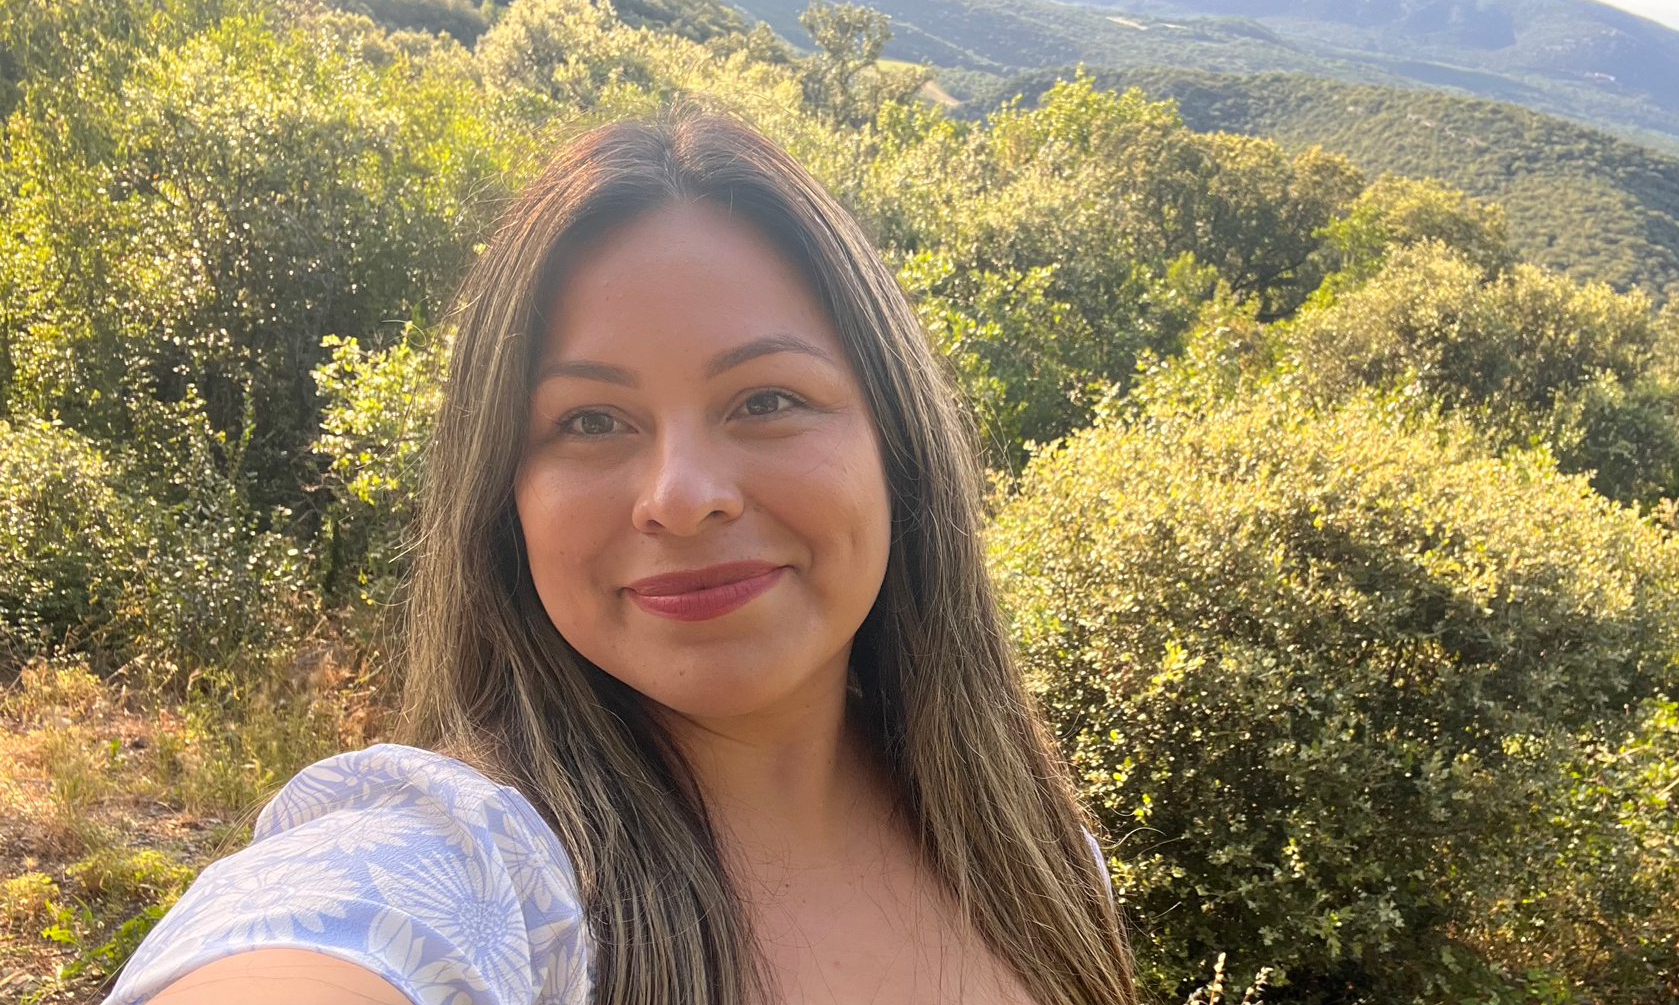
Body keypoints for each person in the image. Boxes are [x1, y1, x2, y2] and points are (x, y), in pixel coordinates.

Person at [106, 112, 1136, 1005]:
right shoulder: (470, 867)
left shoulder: (1037, 857)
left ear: (895, 446)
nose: (681, 496)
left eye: (767, 400)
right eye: (590, 420)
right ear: (503, 498)